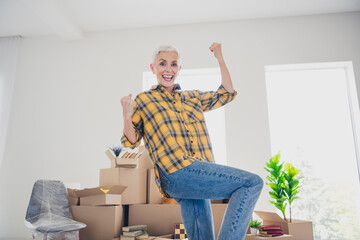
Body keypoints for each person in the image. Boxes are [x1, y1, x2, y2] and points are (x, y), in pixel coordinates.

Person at [120, 43, 263, 240]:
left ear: (179, 69)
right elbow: (131, 142)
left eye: (173, 64)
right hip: (175, 171)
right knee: (251, 183)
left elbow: (226, 94)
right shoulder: (145, 100)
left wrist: (220, 59)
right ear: (153, 68)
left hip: (196, 174)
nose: (168, 69)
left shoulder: (192, 97)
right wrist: (127, 116)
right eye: (162, 64)